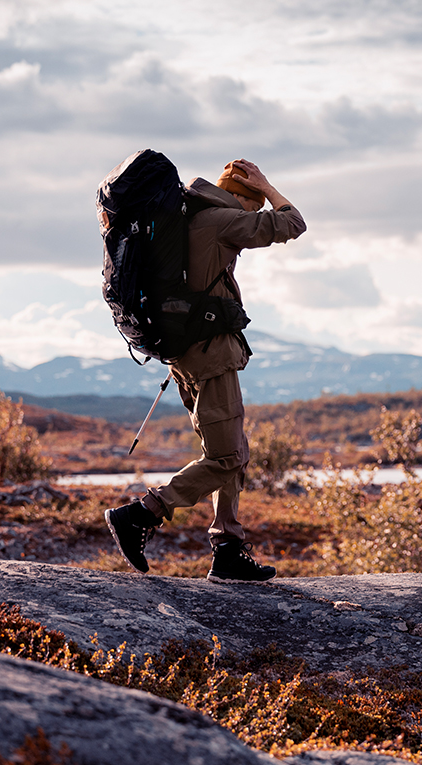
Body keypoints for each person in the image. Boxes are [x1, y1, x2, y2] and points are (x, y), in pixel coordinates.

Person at [105, 158, 306, 581]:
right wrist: (268, 187)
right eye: (249, 206)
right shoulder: (222, 220)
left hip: (184, 352)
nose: (250, 217)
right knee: (227, 455)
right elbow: (292, 223)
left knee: (231, 451)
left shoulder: (186, 215)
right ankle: (142, 514)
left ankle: (229, 548)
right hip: (211, 355)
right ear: (239, 197)